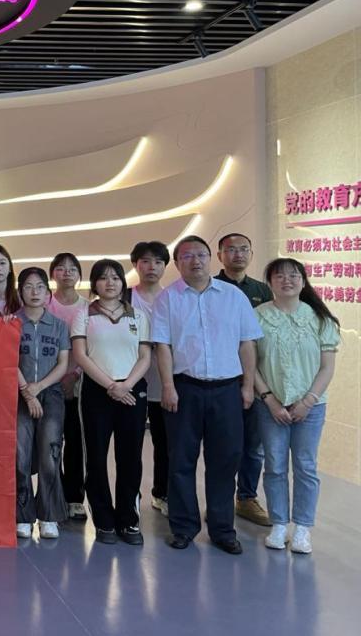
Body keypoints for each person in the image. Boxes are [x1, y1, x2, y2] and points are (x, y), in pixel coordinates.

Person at [152, 235, 263, 554]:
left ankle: (223, 529)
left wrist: (247, 386)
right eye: (187, 256)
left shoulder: (233, 296)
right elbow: (163, 346)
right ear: (177, 263)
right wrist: (168, 387)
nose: (195, 261)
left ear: (211, 258)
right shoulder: (168, 298)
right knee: (181, 460)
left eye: (200, 254)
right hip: (184, 388)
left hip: (227, 390)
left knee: (225, 461)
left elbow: (247, 343)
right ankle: (184, 527)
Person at [255, 258, 340, 555]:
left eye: (293, 276)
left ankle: (302, 528)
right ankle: (279, 524)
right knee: (275, 464)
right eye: (279, 276)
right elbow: (250, 365)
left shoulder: (321, 319)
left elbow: (327, 368)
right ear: (270, 283)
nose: (287, 281)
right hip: (270, 405)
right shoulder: (257, 317)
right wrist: (269, 399)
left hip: (311, 407)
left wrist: (307, 401)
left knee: (305, 465)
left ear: (303, 282)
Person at [71, 259, 152, 545]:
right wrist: (110, 386)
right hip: (96, 391)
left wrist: (126, 385)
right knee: (95, 456)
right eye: (103, 278)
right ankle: (104, 521)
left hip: (132, 390)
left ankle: (129, 520)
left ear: (122, 282)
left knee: (130, 457)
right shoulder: (84, 315)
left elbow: (145, 356)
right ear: (94, 283)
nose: (110, 283)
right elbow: (81, 356)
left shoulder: (138, 316)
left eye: (115, 277)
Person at [216, 232, 274, 528]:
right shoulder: (210, 287)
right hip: (220, 378)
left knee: (253, 444)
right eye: (231, 249)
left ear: (251, 254)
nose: (238, 254)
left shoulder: (263, 290)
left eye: (243, 249)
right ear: (219, 255)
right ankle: (220, 501)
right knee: (222, 445)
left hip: (256, 378)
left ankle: (247, 497)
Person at [14, 267, 71, 540]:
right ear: (20, 292)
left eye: (40, 287)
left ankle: (49, 516)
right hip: (18, 394)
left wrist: (38, 388)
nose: (34, 292)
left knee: (50, 454)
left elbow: (63, 364)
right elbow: (8, 361)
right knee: (20, 455)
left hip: (51, 395)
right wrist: (27, 392)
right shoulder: (11, 323)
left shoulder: (59, 325)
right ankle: (22, 516)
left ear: (48, 293)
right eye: (28, 286)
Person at [46, 252, 89, 522]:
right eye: (60, 268)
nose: (66, 273)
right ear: (53, 274)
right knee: (50, 443)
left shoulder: (88, 307)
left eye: (72, 269)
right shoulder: (44, 303)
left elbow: (93, 348)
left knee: (74, 442)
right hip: (47, 383)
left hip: (77, 385)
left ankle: (75, 498)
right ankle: (55, 495)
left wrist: (75, 375)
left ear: (79, 275)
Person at [129, 241, 170, 517]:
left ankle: (162, 494)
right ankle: (131, 493)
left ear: (165, 266)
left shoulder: (173, 297)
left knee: (164, 443)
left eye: (157, 261)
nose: (151, 267)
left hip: (163, 382)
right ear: (135, 265)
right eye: (145, 261)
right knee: (130, 442)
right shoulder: (125, 297)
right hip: (130, 381)